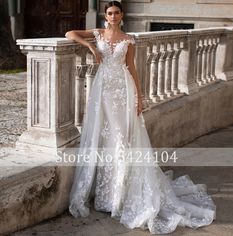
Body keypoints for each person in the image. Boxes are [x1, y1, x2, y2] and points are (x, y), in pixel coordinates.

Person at [65, 1, 216, 234]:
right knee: (103, 139)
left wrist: (139, 98)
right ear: (105, 16)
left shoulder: (128, 40)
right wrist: (91, 47)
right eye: (109, 13)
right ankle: (106, 197)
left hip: (122, 91)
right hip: (102, 89)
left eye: (116, 13)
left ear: (121, 15)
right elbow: (69, 33)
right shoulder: (98, 33)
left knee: (121, 139)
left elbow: (132, 68)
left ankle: (120, 196)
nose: (113, 16)